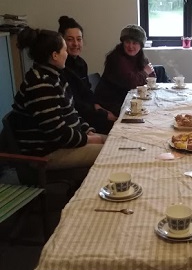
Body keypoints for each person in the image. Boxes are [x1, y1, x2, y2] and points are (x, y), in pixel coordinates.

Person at [12, 27, 106, 171]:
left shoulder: (55, 76)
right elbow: (58, 134)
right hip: (47, 153)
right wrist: (90, 139)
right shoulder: (40, 84)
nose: (67, 53)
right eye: (64, 50)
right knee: (113, 152)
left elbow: (71, 113)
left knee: (117, 142)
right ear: (55, 55)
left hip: (63, 144)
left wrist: (88, 131)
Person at [58, 15, 116, 134]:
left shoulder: (81, 63)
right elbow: (75, 103)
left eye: (79, 39)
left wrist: (99, 107)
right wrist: (101, 113)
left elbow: (87, 93)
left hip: (88, 111)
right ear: (62, 41)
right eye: (70, 39)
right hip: (79, 117)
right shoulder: (61, 67)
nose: (75, 44)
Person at [94, 24, 156, 116]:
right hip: (112, 102)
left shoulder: (140, 56)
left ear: (141, 45)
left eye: (134, 43)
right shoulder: (116, 58)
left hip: (128, 99)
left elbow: (152, 78)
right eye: (127, 42)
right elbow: (131, 83)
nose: (130, 46)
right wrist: (144, 72)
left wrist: (144, 74)